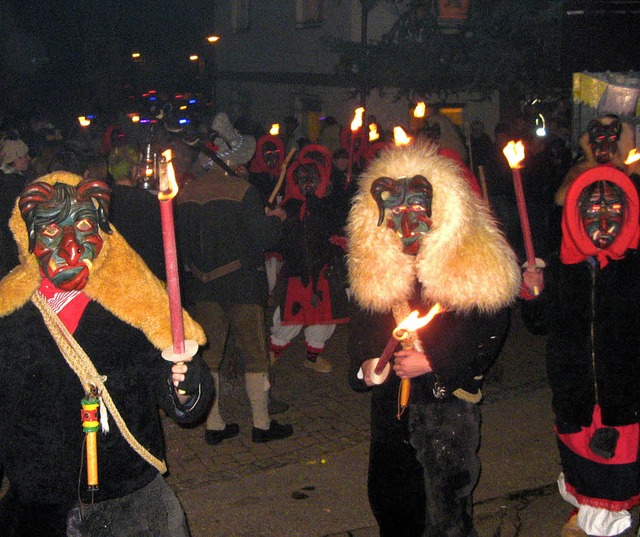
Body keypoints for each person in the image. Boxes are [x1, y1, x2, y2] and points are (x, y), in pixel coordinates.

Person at [0, 171, 213, 535]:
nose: (70, 246)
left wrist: (185, 385)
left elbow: (165, 381)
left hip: (128, 498)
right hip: (41, 505)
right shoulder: (10, 315)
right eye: (51, 231)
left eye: (83, 226)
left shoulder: (133, 305)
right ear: (28, 238)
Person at [347, 140, 521, 536]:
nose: (406, 224)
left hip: (444, 409)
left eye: (416, 210)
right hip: (391, 408)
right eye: (396, 211)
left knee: (446, 510)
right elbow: (362, 324)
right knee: (391, 502)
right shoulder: (376, 261)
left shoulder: (472, 262)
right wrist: (364, 366)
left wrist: (435, 362)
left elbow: (488, 331)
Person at [521, 165, 640, 537]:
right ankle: (588, 514)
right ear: (574, 215)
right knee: (582, 462)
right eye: (591, 212)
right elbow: (540, 323)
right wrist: (533, 291)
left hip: (624, 394)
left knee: (619, 470)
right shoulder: (562, 267)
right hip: (575, 391)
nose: (603, 222)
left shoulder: (636, 266)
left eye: (613, 212)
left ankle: (612, 523)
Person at [177, 112, 293, 444]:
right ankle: (262, 425)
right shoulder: (243, 191)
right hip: (242, 286)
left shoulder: (185, 194)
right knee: (256, 354)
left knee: (210, 357)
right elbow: (265, 239)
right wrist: (275, 219)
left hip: (203, 288)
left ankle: (214, 426)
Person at [268, 155, 350, 373]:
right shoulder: (289, 206)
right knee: (290, 317)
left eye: (313, 177)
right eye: (303, 178)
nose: (308, 182)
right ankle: (270, 355)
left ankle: (312, 357)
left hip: (325, 271)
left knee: (324, 318)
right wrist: (276, 221)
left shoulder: (329, 204)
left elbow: (335, 227)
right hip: (297, 272)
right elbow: (278, 241)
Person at [0, 137, 30, 272]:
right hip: (10, 244)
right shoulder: (13, 184)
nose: (28, 158)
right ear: (14, 160)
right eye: (24, 156)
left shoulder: (7, 178)